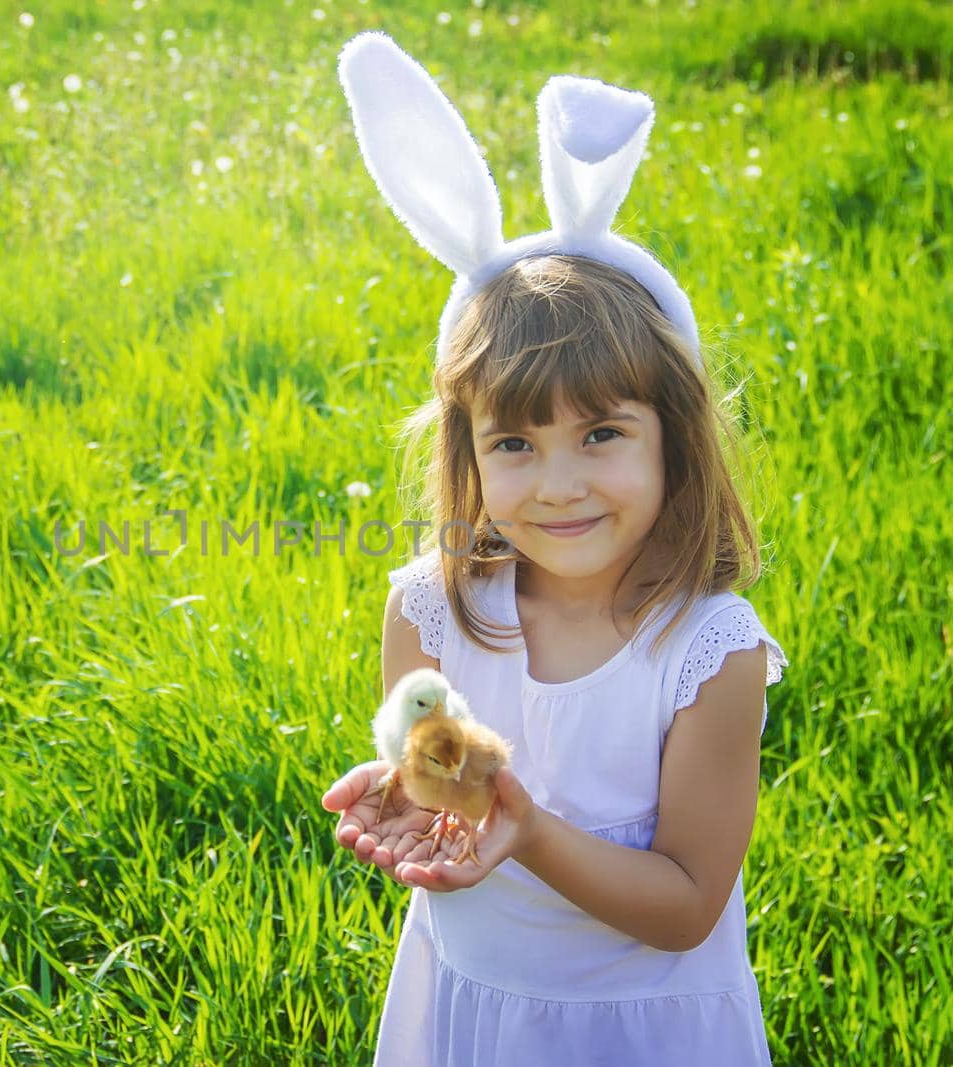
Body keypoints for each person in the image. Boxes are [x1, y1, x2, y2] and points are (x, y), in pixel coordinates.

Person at [321, 33, 789, 1065]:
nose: (561, 480)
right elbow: (440, 787)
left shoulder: (710, 649)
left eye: (602, 433)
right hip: (472, 1004)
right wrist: (417, 796)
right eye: (516, 443)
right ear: (468, 453)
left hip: (642, 1028)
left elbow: (681, 905)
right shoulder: (430, 610)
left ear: (675, 434)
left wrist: (524, 829)